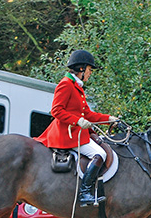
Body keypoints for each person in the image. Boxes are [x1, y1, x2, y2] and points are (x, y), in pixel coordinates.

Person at [35, 50, 118, 206]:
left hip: (76, 133)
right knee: (100, 154)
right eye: (89, 70)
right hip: (67, 134)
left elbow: (88, 114)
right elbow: (56, 110)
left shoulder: (77, 87)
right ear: (81, 69)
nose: (90, 73)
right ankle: (85, 192)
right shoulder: (66, 84)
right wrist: (78, 121)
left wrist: (109, 119)